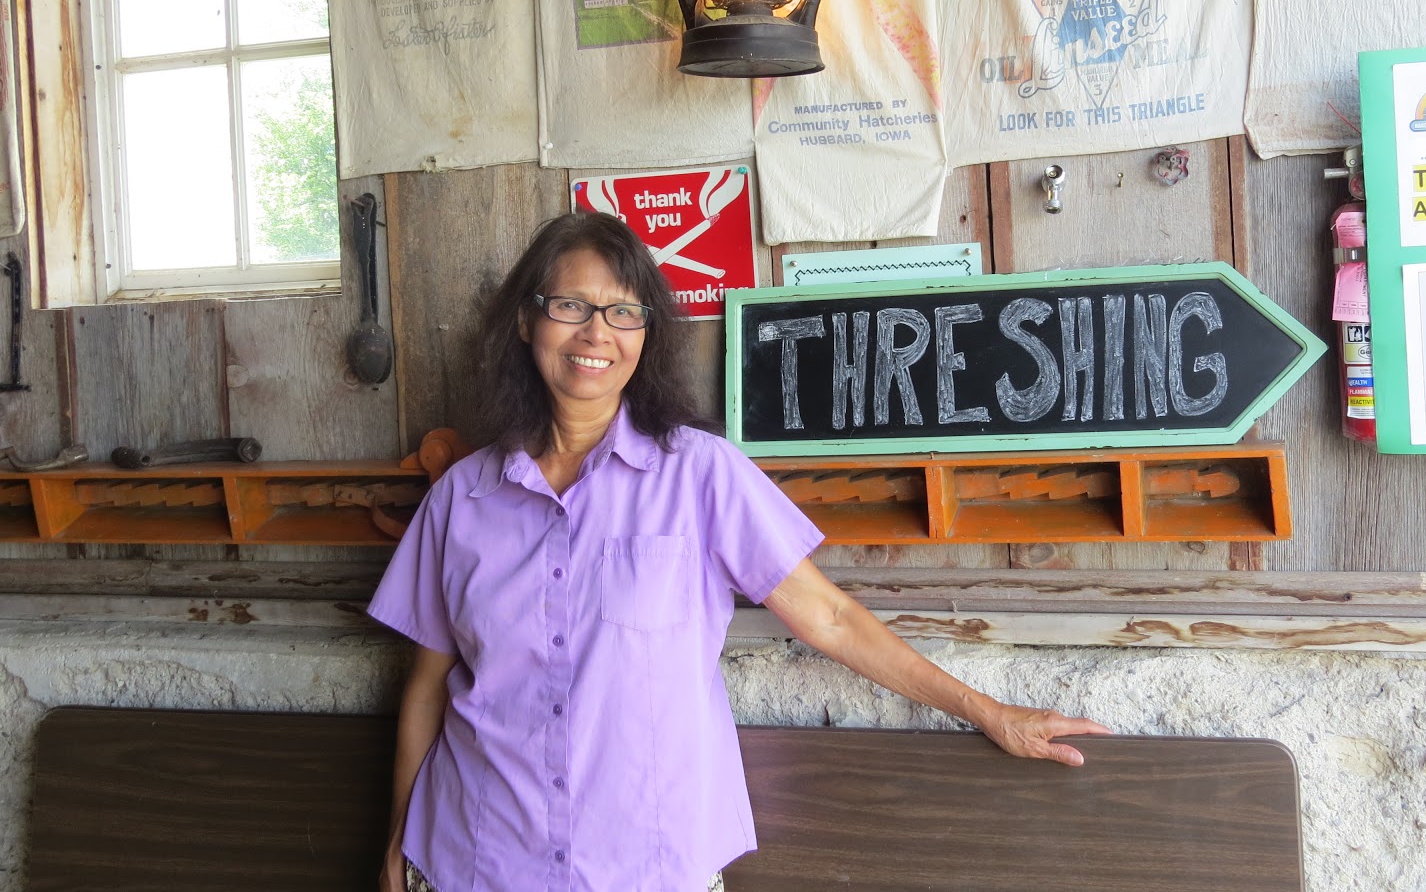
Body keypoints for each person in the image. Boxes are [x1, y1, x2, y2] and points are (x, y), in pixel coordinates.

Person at [369, 212, 1109, 892]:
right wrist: (398, 841)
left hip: (650, 867)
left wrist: (990, 713)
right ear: (528, 321)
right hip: (476, 857)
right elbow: (428, 687)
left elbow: (832, 619)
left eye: (624, 311)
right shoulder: (462, 498)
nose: (597, 333)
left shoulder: (701, 473)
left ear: (647, 335)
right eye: (571, 306)